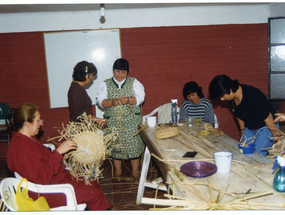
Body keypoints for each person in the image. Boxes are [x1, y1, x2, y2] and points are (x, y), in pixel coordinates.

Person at [6, 103, 111, 210]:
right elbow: (42, 178)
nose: (41, 123)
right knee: (94, 194)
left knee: (93, 182)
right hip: (45, 192)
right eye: (38, 120)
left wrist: (62, 153)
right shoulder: (21, 148)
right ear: (27, 124)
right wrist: (58, 152)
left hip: (54, 179)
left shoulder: (28, 139)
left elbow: (44, 161)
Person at [96, 58, 145, 182]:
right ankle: (118, 173)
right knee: (115, 147)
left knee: (133, 146)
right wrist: (111, 102)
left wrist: (129, 100)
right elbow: (100, 101)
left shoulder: (134, 82)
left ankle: (135, 174)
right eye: (118, 71)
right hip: (113, 122)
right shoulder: (105, 84)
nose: (120, 75)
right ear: (113, 71)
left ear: (127, 72)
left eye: (123, 72)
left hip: (131, 123)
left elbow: (140, 98)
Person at [208, 74, 279, 156]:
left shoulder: (251, 96)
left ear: (230, 90)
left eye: (222, 96)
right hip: (251, 126)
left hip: (266, 126)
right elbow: (238, 113)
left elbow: (269, 118)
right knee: (243, 152)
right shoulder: (231, 99)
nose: (222, 99)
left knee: (256, 155)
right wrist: (242, 131)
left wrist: (277, 138)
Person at [68, 61, 106, 126]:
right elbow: (79, 112)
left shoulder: (78, 88)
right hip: (80, 129)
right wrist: (97, 120)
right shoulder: (76, 89)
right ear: (85, 75)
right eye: (92, 75)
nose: (92, 78)